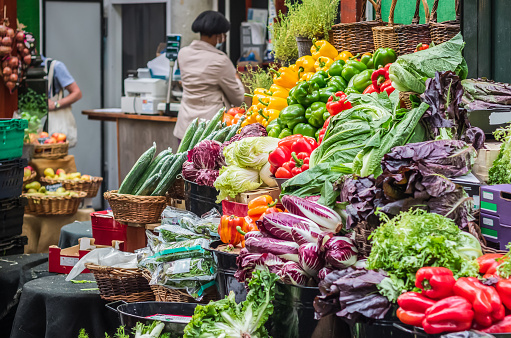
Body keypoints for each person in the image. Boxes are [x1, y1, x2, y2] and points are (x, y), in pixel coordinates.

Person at [173, 10, 245, 140]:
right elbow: (238, 99)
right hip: (209, 131)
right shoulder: (220, 60)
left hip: (185, 128)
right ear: (218, 35)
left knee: (185, 161)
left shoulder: (183, 54)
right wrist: (236, 77)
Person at [42, 56, 82, 147]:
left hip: (53, 125)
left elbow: (77, 93)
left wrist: (56, 104)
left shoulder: (55, 66)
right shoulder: (22, 68)